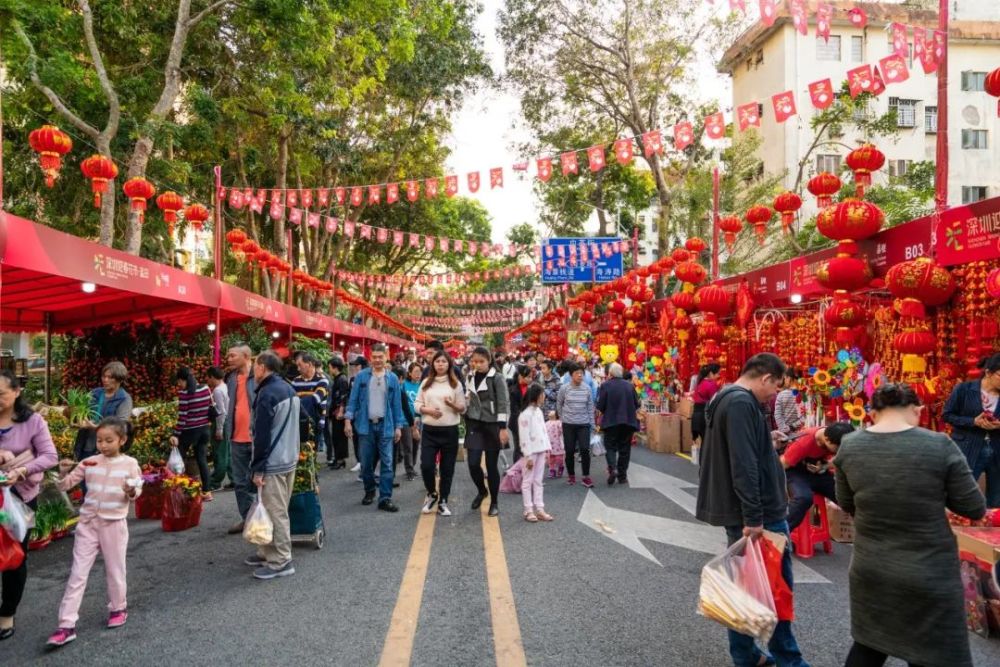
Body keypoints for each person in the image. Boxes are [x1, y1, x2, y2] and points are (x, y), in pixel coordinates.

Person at [834, 383, 985, 667]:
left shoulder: (850, 446)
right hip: (928, 571)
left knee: (869, 643)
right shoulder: (938, 445)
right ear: (917, 410)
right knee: (931, 650)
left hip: (871, 567)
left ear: (874, 412)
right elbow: (972, 506)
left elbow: (846, 503)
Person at [695, 353, 809, 667]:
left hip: (748, 511)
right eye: (775, 387)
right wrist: (754, 517)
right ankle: (790, 661)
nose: (774, 395)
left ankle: (746, 656)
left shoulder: (728, 398)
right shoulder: (741, 404)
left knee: (747, 588)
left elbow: (744, 451)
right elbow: (743, 465)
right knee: (774, 590)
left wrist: (764, 439)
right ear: (765, 378)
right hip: (761, 514)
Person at [47, 417, 142, 647]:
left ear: (123, 440)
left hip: (114, 525)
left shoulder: (130, 463)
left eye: (109, 440)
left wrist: (131, 490)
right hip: (88, 524)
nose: (103, 445)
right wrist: (61, 473)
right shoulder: (88, 462)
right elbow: (65, 485)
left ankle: (118, 608)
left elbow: (136, 491)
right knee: (77, 573)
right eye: (99, 440)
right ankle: (66, 624)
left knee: (115, 570)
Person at [0, 370, 58, 641]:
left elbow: (50, 456)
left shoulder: (33, 421)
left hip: (20, 497)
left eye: (1, 394)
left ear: (16, 392)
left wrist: (21, 470)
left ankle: (7, 612)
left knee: (14, 554)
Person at [245, 350, 301, 580]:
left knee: (275, 511)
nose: (252, 370)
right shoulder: (288, 387)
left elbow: (262, 435)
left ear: (262, 367)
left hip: (273, 462)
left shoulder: (267, 394)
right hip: (289, 457)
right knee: (275, 509)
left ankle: (281, 561)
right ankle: (266, 550)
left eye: (254, 365)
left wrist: (257, 467)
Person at [344, 344, 405, 512]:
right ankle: (369, 490)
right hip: (365, 426)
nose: (377, 360)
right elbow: (353, 400)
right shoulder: (362, 377)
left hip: (386, 426)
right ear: (371, 358)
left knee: (387, 463)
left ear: (385, 357)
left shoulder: (392, 378)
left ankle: (385, 498)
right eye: (375, 357)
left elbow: (396, 405)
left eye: (381, 357)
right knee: (365, 463)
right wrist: (348, 420)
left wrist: (398, 426)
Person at [943, 352, 1000, 507]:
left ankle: (993, 528)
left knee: (996, 498)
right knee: (963, 493)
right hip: (969, 446)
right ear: (988, 373)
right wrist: (973, 421)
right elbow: (947, 415)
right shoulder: (964, 389)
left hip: (996, 448)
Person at [414, 352, 466, 517]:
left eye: (444, 361)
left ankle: (443, 500)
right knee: (426, 465)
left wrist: (452, 404)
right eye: (437, 361)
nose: (440, 364)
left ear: (449, 364)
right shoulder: (426, 383)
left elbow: (463, 407)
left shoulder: (455, 384)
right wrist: (427, 410)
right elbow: (417, 404)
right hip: (429, 430)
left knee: (447, 468)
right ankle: (432, 494)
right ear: (433, 364)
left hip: (450, 430)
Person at [780, 422, 854, 531]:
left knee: (847, 496)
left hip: (818, 473)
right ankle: (779, 535)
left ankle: (870, 533)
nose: (840, 451)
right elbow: (780, 465)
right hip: (795, 473)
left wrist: (824, 466)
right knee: (803, 498)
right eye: (838, 449)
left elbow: (839, 458)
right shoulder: (804, 443)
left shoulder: (834, 437)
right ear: (827, 440)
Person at [465, 346, 511, 517]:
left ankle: (494, 502)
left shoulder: (497, 378)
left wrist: (502, 428)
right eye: (475, 361)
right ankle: (482, 490)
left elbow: (503, 403)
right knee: (472, 463)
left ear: (489, 361)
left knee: (491, 466)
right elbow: (468, 397)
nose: (477, 365)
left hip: (492, 425)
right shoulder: (469, 375)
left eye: (481, 361)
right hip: (474, 424)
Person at [223, 344, 257, 533]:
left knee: (260, 480)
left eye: (232, 355)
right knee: (240, 481)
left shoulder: (259, 376)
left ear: (246, 356)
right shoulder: (232, 379)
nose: (228, 358)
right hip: (236, 437)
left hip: (256, 438)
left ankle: (264, 519)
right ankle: (247, 518)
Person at [73, 361, 133, 462]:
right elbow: (82, 411)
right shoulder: (95, 393)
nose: (105, 380)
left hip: (107, 449)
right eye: (104, 376)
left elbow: (120, 424)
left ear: (120, 379)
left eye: (110, 377)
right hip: (87, 445)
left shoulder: (124, 399)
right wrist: (73, 414)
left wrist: (96, 426)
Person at [169, 367, 214, 501]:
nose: (179, 385)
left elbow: (183, 417)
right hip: (205, 429)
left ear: (183, 380)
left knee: (179, 460)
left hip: (189, 431)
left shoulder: (184, 394)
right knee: (202, 460)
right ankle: (207, 492)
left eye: (179, 382)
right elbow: (211, 406)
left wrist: (175, 434)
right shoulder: (205, 388)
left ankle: (178, 491)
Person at [596, 362, 641, 486]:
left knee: (610, 446)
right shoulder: (629, 386)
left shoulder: (605, 386)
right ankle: (622, 476)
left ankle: (613, 468)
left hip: (611, 422)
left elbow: (600, 406)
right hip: (628, 422)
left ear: (610, 374)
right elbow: (637, 404)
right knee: (625, 449)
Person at [518, 384, 553, 523]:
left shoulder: (538, 411)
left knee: (538, 481)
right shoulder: (525, 414)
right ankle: (528, 509)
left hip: (541, 449)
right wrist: (528, 455)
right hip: (531, 452)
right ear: (536, 396)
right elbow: (524, 436)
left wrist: (547, 449)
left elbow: (543, 431)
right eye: (542, 394)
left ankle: (540, 508)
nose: (544, 397)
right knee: (527, 481)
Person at [557, 363, 595, 488]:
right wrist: (562, 418)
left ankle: (586, 476)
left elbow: (590, 407)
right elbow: (559, 404)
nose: (580, 375)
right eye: (577, 373)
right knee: (569, 450)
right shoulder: (564, 388)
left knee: (585, 449)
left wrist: (592, 423)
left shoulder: (587, 388)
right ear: (571, 375)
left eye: (581, 373)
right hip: (568, 424)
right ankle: (571, 475)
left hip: (583, 423)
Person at [291, 353, 330, 454]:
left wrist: (298, 400)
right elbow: (291, 400)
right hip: (299, 422)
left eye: (300, 365)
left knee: (311, 454)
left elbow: (316, 399)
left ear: (309, 364)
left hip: (315, 422)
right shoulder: (296, 381)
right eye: (297, 366)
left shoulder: (322, 380)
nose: (298, 368)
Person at [206, 366, 232, 491]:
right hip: (227, 421)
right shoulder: (225, 386)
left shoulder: (217, 391)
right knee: (228, 451)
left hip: (220, 422)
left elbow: (220, 412)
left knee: (220, 453)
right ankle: (235, 479)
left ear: (212, 377)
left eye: (208, 378)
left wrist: (219, 429)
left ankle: (215, 482)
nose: (207, 381)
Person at [326, 357, 351, 470]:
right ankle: (338, 458)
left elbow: (344, 396)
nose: (329, 369)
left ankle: (341, 459)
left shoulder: (342, 379)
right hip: (335, 411)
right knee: (336, 436)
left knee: (339, 437)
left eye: (330, 367)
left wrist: (341, 410)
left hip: (339, 412)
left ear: (335, 367)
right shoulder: (338, 378)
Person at [346, 356, 369, 473]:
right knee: (355, 438)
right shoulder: (352, 380)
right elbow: (351, 397)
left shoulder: (370, 377)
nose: (354, 368)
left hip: (366, 414)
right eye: (354, 366)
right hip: (355, 414)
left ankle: (367, 463)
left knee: (365, 439)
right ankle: (359, 461)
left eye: (356, 365)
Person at [401, 364, 424, 480]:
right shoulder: (404, 385)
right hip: (405, 419)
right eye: (415, 372)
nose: (418, 374)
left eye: (419, 372)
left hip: (418, 420)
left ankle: (412, 467)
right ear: (409, 373)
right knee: (408, 446)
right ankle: (409, 470)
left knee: (416, 445)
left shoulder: (421, 386)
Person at [507, 365, 534, 462]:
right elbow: (514, 410)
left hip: (530, 422)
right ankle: (516, 471)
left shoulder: (531, 388)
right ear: (520, 377)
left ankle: (527, 470)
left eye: (531, 377)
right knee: (519, 448)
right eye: (528, 377)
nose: (530, 379)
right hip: (517, 423)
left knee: (529, 447)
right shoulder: (514, 390)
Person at [691, 363, 721, 444]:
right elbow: (714, 402)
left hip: (695, 416)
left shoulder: (700, 382)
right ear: (711, 373)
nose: (719, 376)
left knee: (700, 446)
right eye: (718, 373)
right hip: (704, 417)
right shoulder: (712, 385)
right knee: (707, 446)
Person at [774, 369, 804, 438]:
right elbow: (804, 416)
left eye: (784, 378)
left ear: (789, 378)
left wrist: (783, 428)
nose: (784, 381)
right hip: (799, 432)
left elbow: (777, 414)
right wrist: (792, 426)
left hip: (784, 433)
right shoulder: (803, 395)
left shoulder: (781, 394)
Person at [545, 412, 565, 478]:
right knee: (551, 459)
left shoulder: (559, 422)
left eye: (552, 412)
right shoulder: (546, 423)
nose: (550, 413)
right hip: (549, 444)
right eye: (549, 412)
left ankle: (560, 467)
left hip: (558, 443)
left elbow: (562, 430)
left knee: (559, 458)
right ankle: (552, 470)